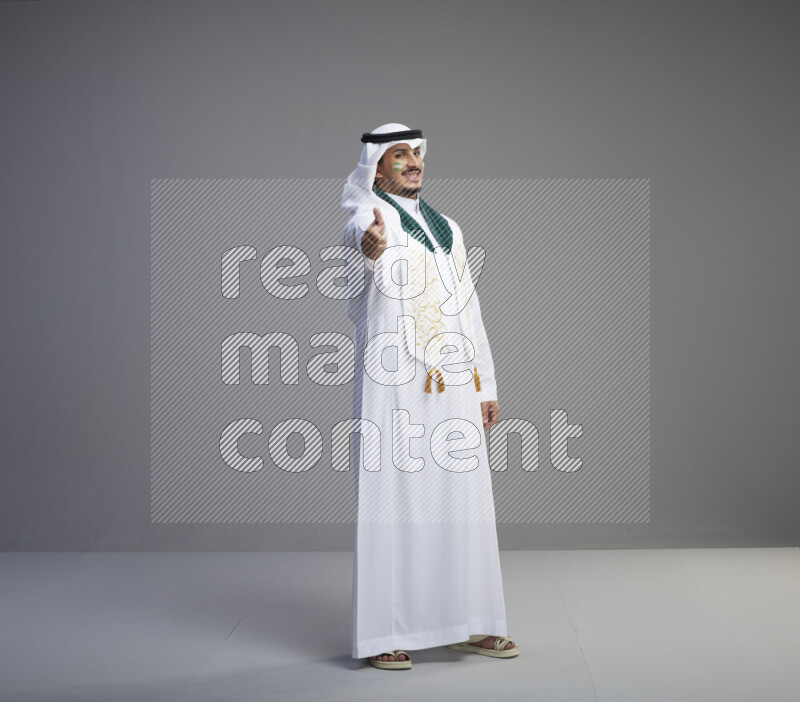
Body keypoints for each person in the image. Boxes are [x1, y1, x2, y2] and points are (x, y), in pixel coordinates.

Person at [340, 123, 519, 669]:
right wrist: (368, 247)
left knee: (463, 500)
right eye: (400, 155)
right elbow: (359, 240)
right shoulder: (369, 214)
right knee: (393, 499)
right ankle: (382, 634)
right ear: (376, 168)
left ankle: (473, 622)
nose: (414, 162)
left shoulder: (448, 227)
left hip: (454, 379)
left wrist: (484, 383)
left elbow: (468, 306)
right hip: (395, 379)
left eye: (417, 154)